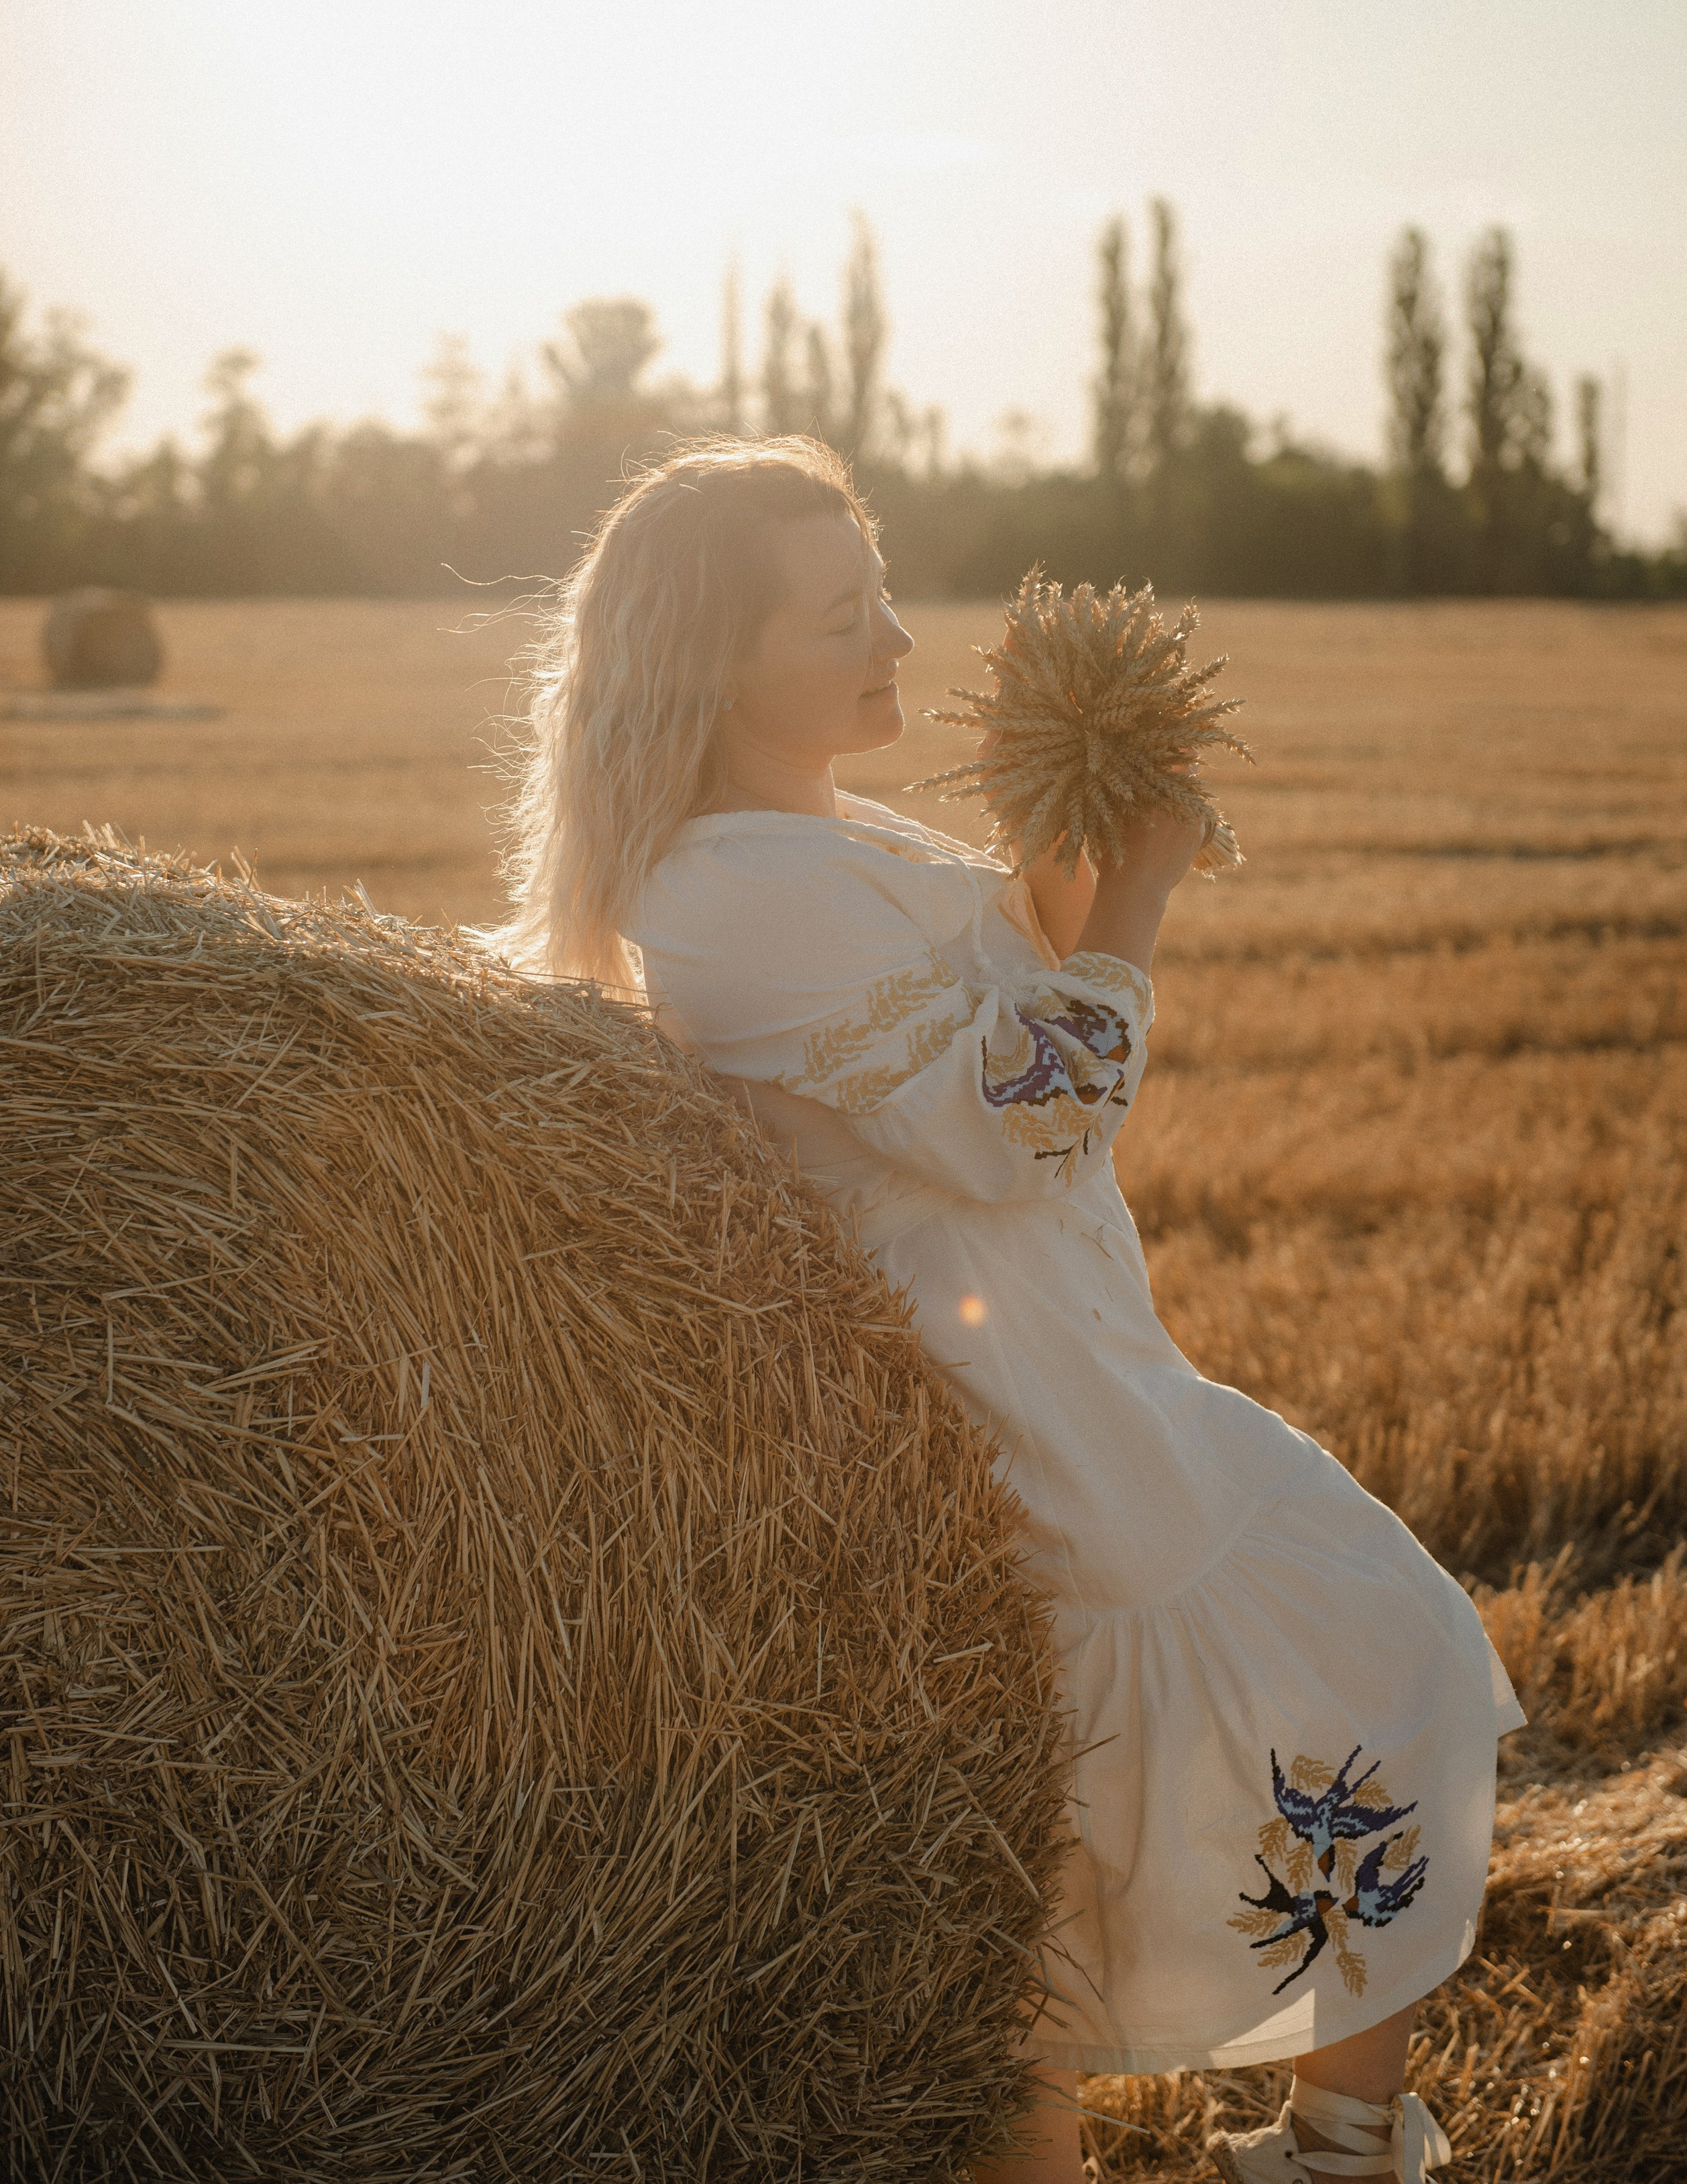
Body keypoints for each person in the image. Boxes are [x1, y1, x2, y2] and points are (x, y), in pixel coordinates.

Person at [498, 438, 1523, 2184]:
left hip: (1087, 1344)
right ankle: (1313, 2145)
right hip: (1010, 1407)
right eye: (843, 613)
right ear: (716, 663)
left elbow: (1018, 972)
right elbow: (1022, 1105)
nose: (897, 631)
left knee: (1356, 1672)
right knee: (1069, 1850)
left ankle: (1339, 2140)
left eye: (884, 585)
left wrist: (1091, 796)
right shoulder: (720, 893)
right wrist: (1139, 890)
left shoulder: (830, 837)